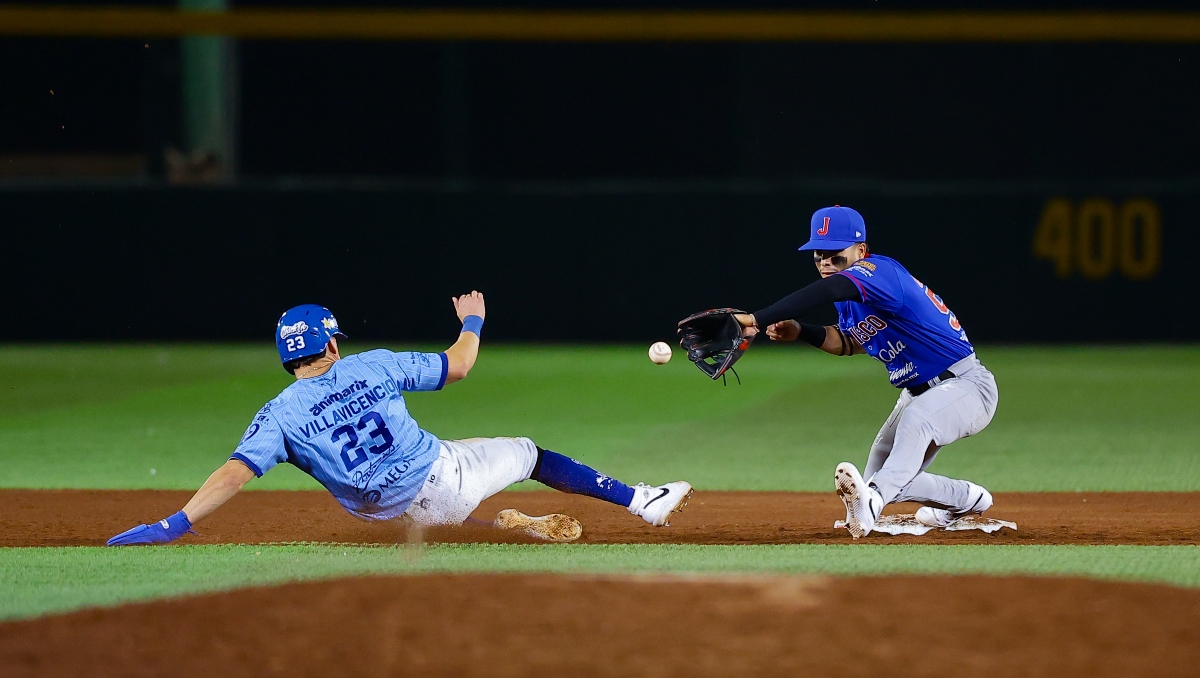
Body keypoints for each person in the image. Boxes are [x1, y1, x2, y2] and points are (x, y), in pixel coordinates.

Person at [108, 293, 693, 545]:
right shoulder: (373, 366)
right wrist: (473, 322)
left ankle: (506, 529)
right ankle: (644, 500)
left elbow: (234, 473)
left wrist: (175, 523)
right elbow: (459, 367)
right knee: (529, 453)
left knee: (430, 521)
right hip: (444, 477)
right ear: (329, 345)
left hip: (385, 513)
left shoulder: (277, 416)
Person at [735, 206, 998, 538]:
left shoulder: (881, 271)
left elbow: (829, 290)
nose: (826, 263)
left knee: (910, 432)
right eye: (819, 256)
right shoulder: (851, 298)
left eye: (836, 255)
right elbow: (848, 342)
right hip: (919, 393)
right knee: (887, 477)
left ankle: (871, 504)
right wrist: (801, 331)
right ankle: (969, 499)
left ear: (861, 251)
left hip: (966, 386)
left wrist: (757, 318)